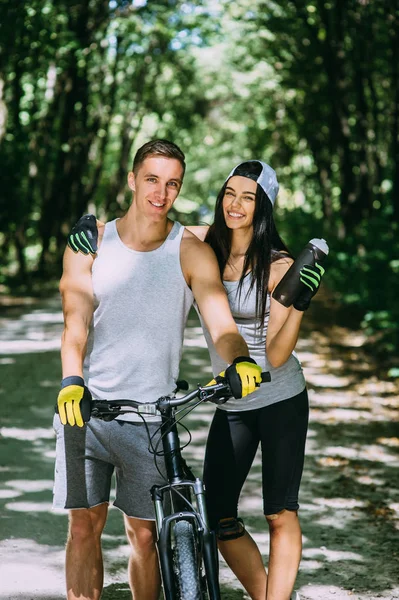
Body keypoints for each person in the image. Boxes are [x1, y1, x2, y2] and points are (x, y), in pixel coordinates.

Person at [69, 159, 325, 600]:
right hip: (232, 401)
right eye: (230, 193)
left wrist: (298, 301)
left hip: (280, 396)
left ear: (264, 205)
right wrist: (91, 231)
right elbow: (152, 226)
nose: (236, 204)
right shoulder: (204, 242)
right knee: (220, 516)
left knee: (279, 513)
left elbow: (278, 353)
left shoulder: (279, 266)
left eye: (249, 197)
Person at [55, 139, 263, 600]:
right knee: (83, 526)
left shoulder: (189, 250)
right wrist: (72, 380)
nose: (160, 192)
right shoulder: (90, 244)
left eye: (172, 184)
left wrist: (240, 359)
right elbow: (75, 322)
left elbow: (221, 323)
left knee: (145, 537)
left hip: (152, 420)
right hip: (85, 412)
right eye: (151, 179)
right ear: (132, 180)